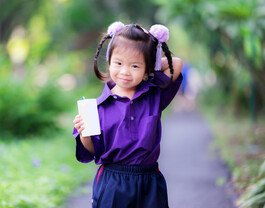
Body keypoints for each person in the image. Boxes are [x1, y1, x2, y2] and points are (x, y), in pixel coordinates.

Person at [72, 21, 183, 208]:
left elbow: (176, 63)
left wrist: (150, 58)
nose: (125, 71)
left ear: (147, 68)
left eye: (134, 66)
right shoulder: (97, 108)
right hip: (113, 183)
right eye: (118, 63)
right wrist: (84, 132)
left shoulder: (154, 95)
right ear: (108, 62)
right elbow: (92, 151)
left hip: (150, 182)